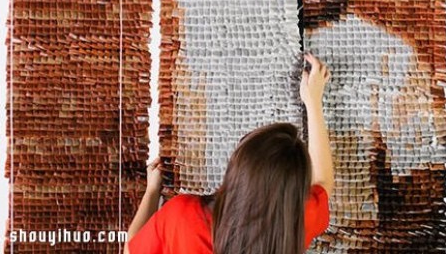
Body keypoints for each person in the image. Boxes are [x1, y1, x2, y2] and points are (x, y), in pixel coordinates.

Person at [124, 53, 334, 254]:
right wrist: (313, 102)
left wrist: (152, 191)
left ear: (237, 168)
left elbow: (130, 250)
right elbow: (323, 182)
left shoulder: (183, 216)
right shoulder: (293, 225)